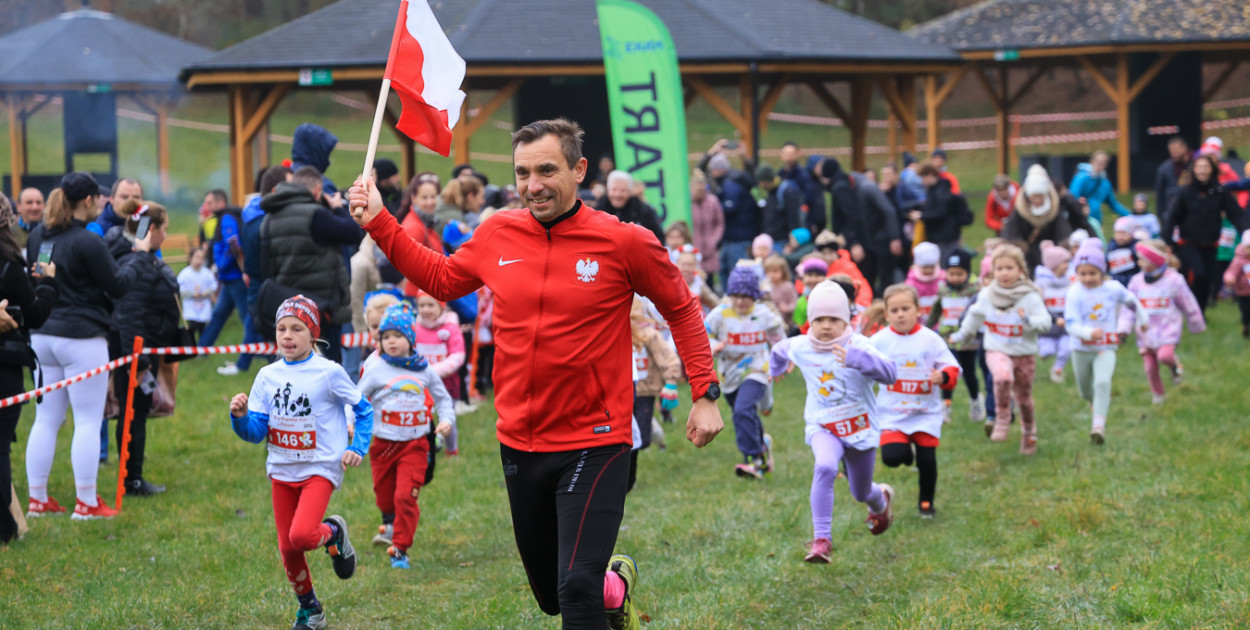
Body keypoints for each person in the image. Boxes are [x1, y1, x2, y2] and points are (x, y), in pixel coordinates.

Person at [349, 118, 722, 629]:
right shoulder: (498, 231)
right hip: (521, 441)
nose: (534, 185)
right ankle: (616, 587)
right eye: (523, 173)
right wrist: (379, 222)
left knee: (576, 589)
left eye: (547, 170)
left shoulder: (624, 242)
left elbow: (681, 306)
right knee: (553, 593)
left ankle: (597, 588)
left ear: (579, 169)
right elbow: (439, 276)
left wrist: (705, 392)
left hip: (597, 438)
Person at [228, 295, 372, 630]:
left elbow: (364, 409)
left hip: (320, 467)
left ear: (313, 335)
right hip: (281, 470)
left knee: (304, 536)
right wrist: (239, 417)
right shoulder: (266, 376)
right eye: (282, 329)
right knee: (288, 547)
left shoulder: (328, 372)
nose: (287, 336)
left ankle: (334, 532)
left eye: (297, 329)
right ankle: (311, 611)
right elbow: (256, 431)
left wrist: (358, 446)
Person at [24, 172, 151, 520]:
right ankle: (86, 502)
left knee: (46, 419)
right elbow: (118, 285)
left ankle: (37, 499)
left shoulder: (40, 236)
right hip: (82, 338)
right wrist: (139, 255)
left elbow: (39, 276)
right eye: (99, 198)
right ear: (88, 201)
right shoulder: (87, 241)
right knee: (86, 420)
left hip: (43, 335)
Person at [769, 281, 897, 563]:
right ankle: (821, 540)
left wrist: (857, 359)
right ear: (810, 322)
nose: (826, 326)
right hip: (823, 426)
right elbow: (779, 350)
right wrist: (775, 370)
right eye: (819, 320)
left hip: (859, 428)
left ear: (847, 320)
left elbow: (890, 373)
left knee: (860, 490)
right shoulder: (801, 346)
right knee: (825, 467)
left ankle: (880, 500)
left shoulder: (859, 345)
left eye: (834, 320)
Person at [356, 302, 453, 569]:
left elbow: (444, 400)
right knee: (385, 497)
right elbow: (355, 398)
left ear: (410, 339)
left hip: (416, 444)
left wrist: (446, 420)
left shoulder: (423, 369)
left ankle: (400, 549)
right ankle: (389, 523)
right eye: (385, 337)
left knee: (405, 497)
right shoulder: (375, 369)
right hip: (383, 445)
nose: (391, 341)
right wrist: (352, 423)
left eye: (398, 336)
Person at [103, 200, 180, 496]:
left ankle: (133, 474)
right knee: (132, 411)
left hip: (143, 350)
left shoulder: (141, 260)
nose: (164, 236)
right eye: (164, 230)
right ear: (152, 229)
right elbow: (130, 315)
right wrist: (140, 361)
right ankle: (132, 479)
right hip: (136, 353)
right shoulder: (134, 262)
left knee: (138, 409)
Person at [950, 244, 1051, 453]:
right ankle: (1002, 416)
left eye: (1009, 268)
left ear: (1021, 270)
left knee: (1024, 400)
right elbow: (975, 315)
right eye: (999, 268)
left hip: (1023, 354)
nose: (1004, 273)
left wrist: (1028, 320)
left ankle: (1029, 433)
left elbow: (1046, 323)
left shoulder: (1030, 296)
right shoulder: (987, 294)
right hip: (997, 350)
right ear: (993, 272)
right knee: (1002, 377)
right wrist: (961, 334)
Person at [260, 166, 365, 363]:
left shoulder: (268, 218)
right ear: (317, 190)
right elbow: (353, 233)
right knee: (325, 369)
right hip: (321, 308)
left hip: (286, 307)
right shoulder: (316, 215)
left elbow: (265, 266)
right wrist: (337, 207)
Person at [873, 283, 960, 518]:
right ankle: (905, 448)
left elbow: (952, 366)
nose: (900, 314)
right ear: (887, 314)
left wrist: (943, 376)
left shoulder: (930, 339)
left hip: (925, 412)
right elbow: (863, 364)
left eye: (905, 308)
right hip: (892, 412)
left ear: (917, 309)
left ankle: (926, 503)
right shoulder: (879, 341)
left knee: (927, 460)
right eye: (894, 310)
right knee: (892, 458)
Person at [0, 192, 57, 543]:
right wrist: (48, 282)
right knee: (0, 445)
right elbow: (34, 315)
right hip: (5, 362)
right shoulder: (8, 263)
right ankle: (5, 527)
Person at [1064, 239, 1147, 445]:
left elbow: (1132, 301)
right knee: (1085, 390)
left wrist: (1143, 319)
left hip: (1106, 347)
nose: (1088, 278)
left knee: (1102, 382)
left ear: (1102, 271)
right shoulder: (1074, 293)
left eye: (1092, 273)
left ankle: (1098, 426)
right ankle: (1093, 401)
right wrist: (1087, 333)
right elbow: (1070, 323)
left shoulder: (1113, 288)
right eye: (1083, 274)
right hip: (1081, 348)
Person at [706, 267, 785, 480]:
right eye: (736, 296)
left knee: (743, 409)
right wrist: (714, 345)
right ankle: (761, 444)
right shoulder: (720, 314)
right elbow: (704, 335)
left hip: (757, 368)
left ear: (754, 297)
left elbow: (779, 339)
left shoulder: (764, 315)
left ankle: (754, 460)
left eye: (746, 296)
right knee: (742, 412)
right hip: (729, 373)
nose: (740, 301)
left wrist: (783, 361)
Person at [1162, 154, 1250, 313]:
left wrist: (1246, 232)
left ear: (1211, 170)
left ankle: (1200, 313)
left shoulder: (1219, 191)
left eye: (1205, 167)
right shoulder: (1186, 192)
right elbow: (1172, 216)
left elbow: (1235, 213)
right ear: (1194, 170)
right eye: (1199, 167)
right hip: (1188, 243)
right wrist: (1168, 241)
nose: (1202, 170)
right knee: (1199, 274)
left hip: (1210, 243)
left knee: (1209, 278)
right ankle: (1191, 309)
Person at [1124, 240, 1205, 405]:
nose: (1138, 262)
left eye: (1142, 259)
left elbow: (1187, 302)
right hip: (1145, 332)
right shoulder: (1136, 282)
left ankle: (1175, 367)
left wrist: (1195, 322)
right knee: (1150, 368)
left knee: (1164, 356)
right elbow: (1128, 307)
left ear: (1154, 261)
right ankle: (1158, 394)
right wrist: (1123, 329)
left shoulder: (1174, 280)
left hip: (1168, 329)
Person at [927, 248, 988, 423]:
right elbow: (935, 311)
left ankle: (976, 400)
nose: (954, 278)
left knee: (969, 373)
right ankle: (946, 405)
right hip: (948, 339)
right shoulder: (943, 289)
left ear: (967, 273)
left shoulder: (976, 290)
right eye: (951, 274)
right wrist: (927, 328)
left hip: (969, 340)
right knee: (948, 371)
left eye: (959, 274)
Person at [1001, 164, 1093, 272]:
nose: (1037, 200)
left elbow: (1063, 233)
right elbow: (1012, 234)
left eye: (1040, 196)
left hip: (1050, 256)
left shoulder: (1054, 209)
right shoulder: (1020, 210)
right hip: (1027, 257)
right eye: (1034, 197)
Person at [629, 297, 680, 489]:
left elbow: (667, 358)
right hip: (621, 393)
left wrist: (671, 381)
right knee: (626, 438)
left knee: (643, 437)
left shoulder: (649, 336)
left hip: (645, 391)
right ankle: (627, 479)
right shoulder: (612, 334)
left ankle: (654, 430)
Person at [198, 189, 250, 372]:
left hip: (235, 279)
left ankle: (257, 353)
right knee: (218, 315)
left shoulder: (227, 218)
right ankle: (201, 349)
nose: (207, 207)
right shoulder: (221, 218)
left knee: (247, 318)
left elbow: (233, 245)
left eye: (210, 203)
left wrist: (219, 265)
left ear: (221, 202)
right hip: (228, 280)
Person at [413, 291, 465, 454]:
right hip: (421, 384)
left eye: (430, 305)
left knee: (448, 418)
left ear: (442, 307)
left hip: (447, 384)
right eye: (422, 305)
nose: (426, 309)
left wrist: (432, 372)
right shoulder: (415, 328)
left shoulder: (451, 328)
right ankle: (422, 449)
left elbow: (457, 356)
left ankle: (451, 449)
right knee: (420, 417)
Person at [701, 144, 760, 284]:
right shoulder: (734, 180)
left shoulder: (730, 184)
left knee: (736, 273)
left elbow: (729, 207)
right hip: (735, 237)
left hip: (737, 238)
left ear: (718, 169)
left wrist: (712, 210)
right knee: (726, 271)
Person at [850, 166, 904, 295]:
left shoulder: (868, 189)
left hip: (882, 239)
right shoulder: (873, 190)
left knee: (885, 275)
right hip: (876, 239)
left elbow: (889, 211)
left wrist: (894, 237)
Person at [1035, 240, 1073, 384]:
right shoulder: (1041, 284)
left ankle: (1058, 368)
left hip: (1066, 321)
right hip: (1049, 322)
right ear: (1055, 264)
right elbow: (1036, 303)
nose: (1068, 266)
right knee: (1048, 350)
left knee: (1066, 348)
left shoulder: (1070, 281)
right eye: (1065, 262)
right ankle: (1044, 353)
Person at [1069, 150, 1130, 239]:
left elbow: (1114, 204)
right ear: (1091, 162)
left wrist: (1130, 215)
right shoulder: (1081, 178)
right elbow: (1072, 197)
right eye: (1098, 162)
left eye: (1103, 163)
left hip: (1096, 220)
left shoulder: (1105, 183)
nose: (1100, 165)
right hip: (1081, 219)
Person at [913, 161, 968, 259]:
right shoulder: (932, 190)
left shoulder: (941, 190)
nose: (922, 181)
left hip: (945, 238)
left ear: (930, 175)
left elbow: (941, 212)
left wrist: (921, 216)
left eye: (922, 178)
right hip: (938, 238)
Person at [595, 170, 664, 242]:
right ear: (608, 190)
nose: (617, 195)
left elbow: (658, 238)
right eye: (614, 190)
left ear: (629, 192)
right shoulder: (598, 212)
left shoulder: (643, 211)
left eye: (622, 190)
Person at [689, 169, 725, 288]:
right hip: (693, 249)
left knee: (709, 282)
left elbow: (719, 223)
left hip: (709, 248)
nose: (700, 192)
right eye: (697, 190)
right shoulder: (687, 203)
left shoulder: (712, 202)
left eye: (702, 190)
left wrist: (714, 240)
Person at [756, 163, 804, 248]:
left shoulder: (786, 192)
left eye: (764, 182)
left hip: (782, 241)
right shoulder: (770, 192)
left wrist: (791, 243)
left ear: (770, 180)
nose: (762, 186)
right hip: (770, 240)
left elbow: (793, 218)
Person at [178, 248, 215, 338]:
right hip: (190, 309)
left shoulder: (207, 273)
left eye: (202, 257)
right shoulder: (185, 274)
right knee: (191, 330)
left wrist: (207, 292)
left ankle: (202, 349)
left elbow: (213, 286)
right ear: (191, 258)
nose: (200, 260)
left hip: (203, 307)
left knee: (203, 331)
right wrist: (191, 294)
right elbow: (179, 290)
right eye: (197, 257)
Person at [905, 242, 944, 328]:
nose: (929, 270)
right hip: (919, 322)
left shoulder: (943, 279)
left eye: (932, 267)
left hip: (940, 324)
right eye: (925, 267)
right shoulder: (911, 283)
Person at [1156, 136, 1191, 216]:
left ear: (1185, 148)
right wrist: (1161, 214)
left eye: (1177, 150)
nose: (1175, 153)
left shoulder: (1194, 165)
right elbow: (1160, 192)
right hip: (1171, 210)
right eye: (1172, 151)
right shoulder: (1164, 168)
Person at [1224, 231, 1250, 337]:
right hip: (1243, 292)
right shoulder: (1239, 260)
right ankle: (1246, 325)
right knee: (1245, 311)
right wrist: (1229, 278)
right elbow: (1231, 272)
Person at [793, 257, 829, 328]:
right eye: (810, 275)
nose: (813, 279)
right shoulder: (801, 301)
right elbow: (799, 324)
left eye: (818, 275)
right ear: (803, 278)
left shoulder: (831, 297)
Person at [1106, 217, 1141, 287]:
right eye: (1118, 233)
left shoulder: (1136, 247)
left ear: (1131, 234)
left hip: (1132, 283)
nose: (1120, 236)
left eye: (1123, 233)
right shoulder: (1111, 247)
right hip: (1115, 283)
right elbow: (1106, 263)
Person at [764, 255, 798, 325]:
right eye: (769, 272)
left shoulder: (788, 286)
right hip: (769, 320)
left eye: (775, 271)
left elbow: (795, 302)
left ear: (783, 272)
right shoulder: (765, 286)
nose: (772, 275)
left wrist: (788, 308)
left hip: (785, 322)